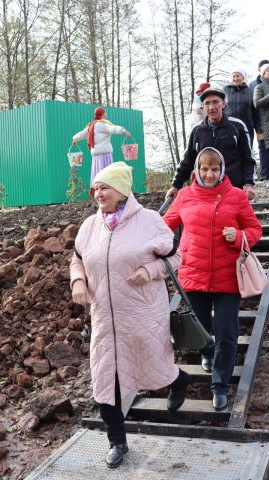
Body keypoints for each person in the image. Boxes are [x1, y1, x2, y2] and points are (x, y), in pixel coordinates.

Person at [70, 162, 190, 468]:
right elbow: (77, 261)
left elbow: (176, 256)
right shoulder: (89, 227)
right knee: (104, 380)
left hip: (143, 313)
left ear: (122, 190)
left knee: (154, 366)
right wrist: (79, 282)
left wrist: (150, 270)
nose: (98, 193)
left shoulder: (149, 221)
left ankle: (178, 381)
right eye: (96, 188)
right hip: (104, 319)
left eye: (105, 187)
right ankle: (117, 442)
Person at [162, 147, 262, 411]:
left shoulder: (237, 196)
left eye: (214, 169)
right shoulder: (184, 195)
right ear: (196, 169)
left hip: (228, 276)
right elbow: (164, 226)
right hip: (193, 274)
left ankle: (220, 386)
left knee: (227, 333)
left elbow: (254, 229)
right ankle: (207, 352)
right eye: (204, 169)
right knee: (201, 329)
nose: (209, 174)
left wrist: (239, 236)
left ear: (222, 170)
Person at [166, 87, 257, 201]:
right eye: (207, 103)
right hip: (205, 190)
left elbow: (248, 158)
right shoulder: (197, 130)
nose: (211, 107)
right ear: (202, 106)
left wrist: (249, 184)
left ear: (223, 104)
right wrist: (176, 185)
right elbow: (187, 160)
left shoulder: (237, 126)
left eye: (215, 102)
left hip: (232, 188)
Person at [72, 107, 131, 194]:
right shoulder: (102, 125)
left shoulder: (91, 126)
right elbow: (113, 128)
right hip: (105, 154)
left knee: (98, 173)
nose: (106, 114)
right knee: (107, 174)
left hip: (96, 156)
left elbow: (81, 134)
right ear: (102, 114)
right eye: (105, 113)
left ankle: (97, 190)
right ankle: (107, 190)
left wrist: (74, 139)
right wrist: (124, 131)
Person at [250, 59, 269, 174]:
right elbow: (252, 105)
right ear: (259, 70)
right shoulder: (252, 85)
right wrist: (256, 124)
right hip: (260, 122)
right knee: (263, 147)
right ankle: (264, 173)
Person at [223, 68, 256, 146]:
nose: (235, 78)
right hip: (229, 125)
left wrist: (258, 128)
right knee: (229, 149)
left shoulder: (251, 91)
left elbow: (255, 111)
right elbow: (221, 108)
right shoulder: (224, 90)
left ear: (243, 77)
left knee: (246, 149)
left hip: (247, 125)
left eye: (238, 76)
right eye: (233, 76)